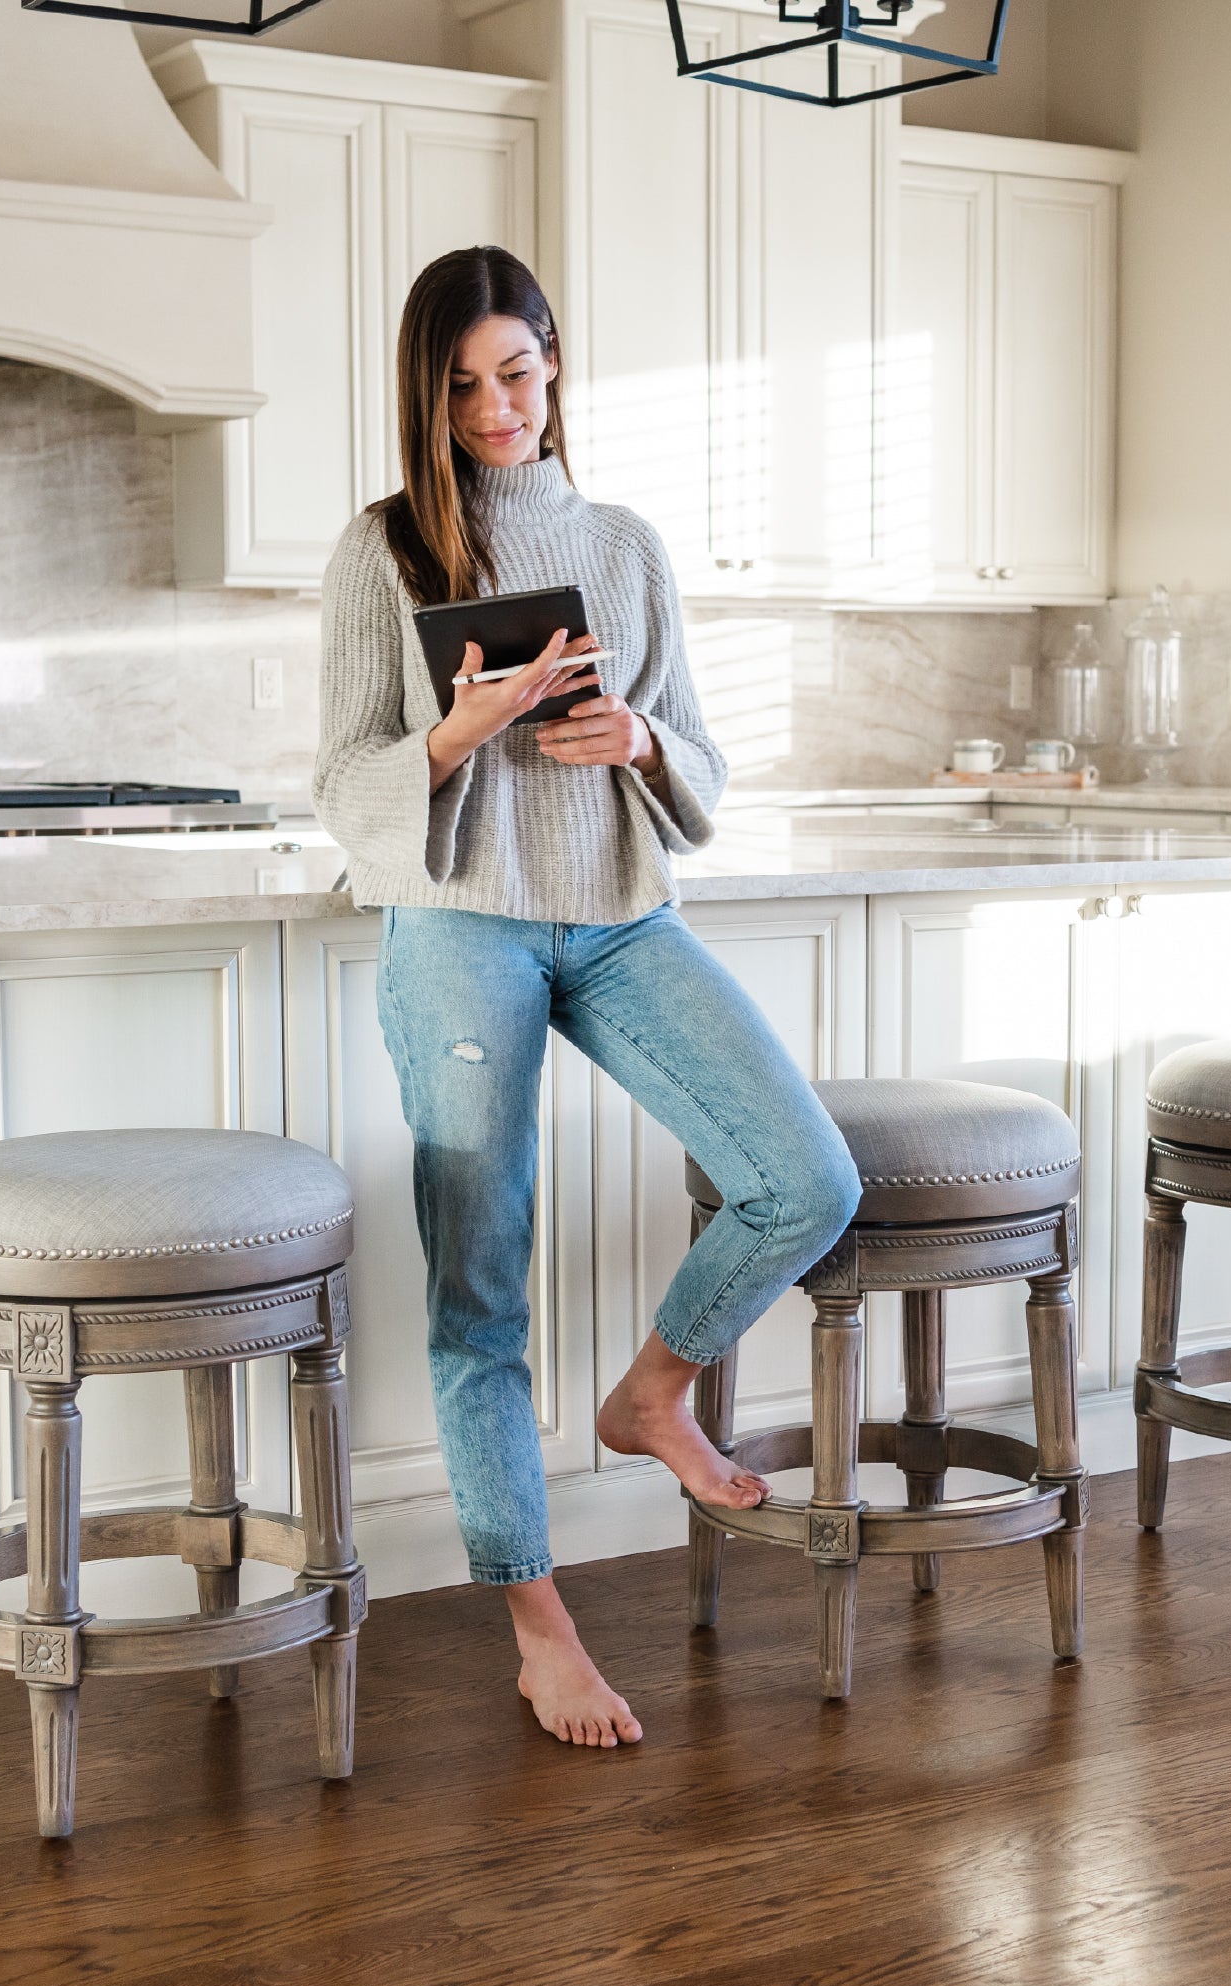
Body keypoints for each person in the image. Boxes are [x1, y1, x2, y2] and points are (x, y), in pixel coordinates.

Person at [313, 246, 861, 1749]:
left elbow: (697, 756)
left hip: (620, 919)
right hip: (456, 924)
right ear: (425, 396)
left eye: (518, 370)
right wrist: (454, 733)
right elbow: (340, 778)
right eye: (462, 384)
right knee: (479, 1287)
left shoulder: (623, 540)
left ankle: (651, 1394)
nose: (497, 407)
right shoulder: (382, 551)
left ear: (556, 363)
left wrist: (635, 740)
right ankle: (539, 1625)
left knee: (803, 1176)